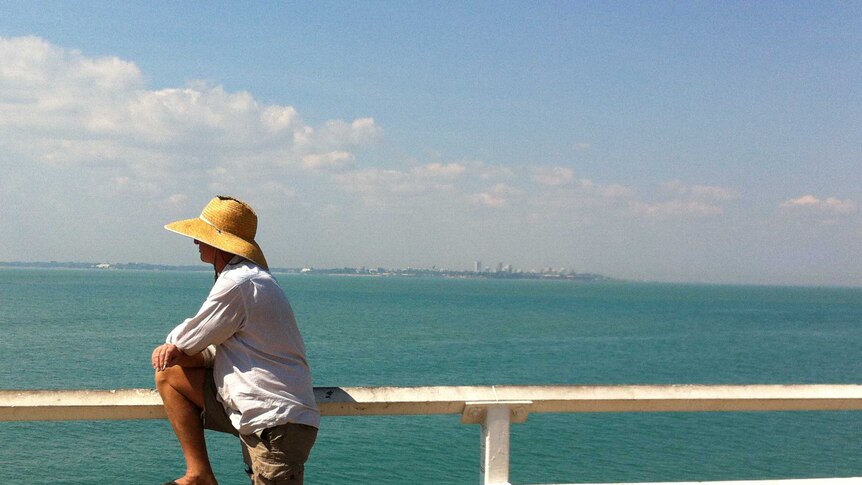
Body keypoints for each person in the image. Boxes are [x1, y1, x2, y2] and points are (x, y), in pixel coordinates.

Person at [152, 195, 319, 485]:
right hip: (263, 416)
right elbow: (214, 347)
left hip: (275, 423)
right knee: (169, 376)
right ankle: (199, 474)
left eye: (201, 237)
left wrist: (172, 345)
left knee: (170, 364)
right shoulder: (253, 279)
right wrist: (182, 353)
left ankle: (200, 475)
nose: (196, 243)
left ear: (220, 243)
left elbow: (186, 339)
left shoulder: (239, 283)